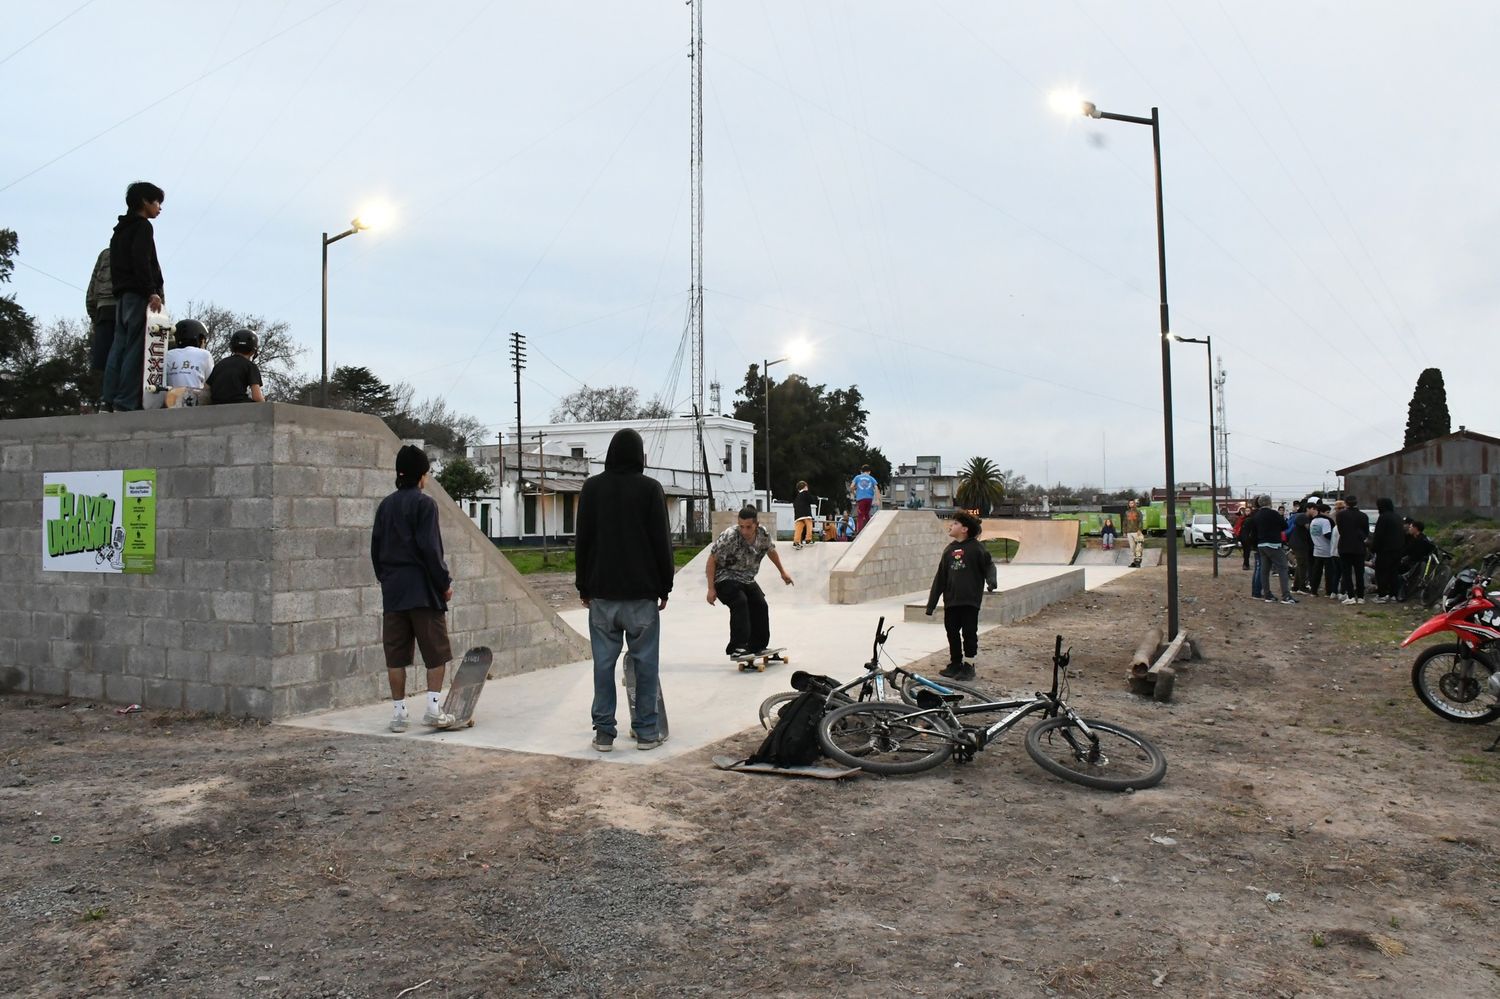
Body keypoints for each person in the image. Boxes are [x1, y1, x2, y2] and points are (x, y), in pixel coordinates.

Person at [575, 428, 674, 752]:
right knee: (645, 665)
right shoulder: (650, 489)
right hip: (641, 595)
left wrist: (583, 585)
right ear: (639, 456)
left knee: (603, 665)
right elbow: (661, 540)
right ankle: (646, 732)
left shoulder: (592, 488)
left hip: (602, 595)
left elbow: (584, 541)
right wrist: (665, 585)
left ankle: (604, 733)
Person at [371, 445, 456, 733]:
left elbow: (375, 550)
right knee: (436, 653)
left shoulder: (385, 505)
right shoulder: (425, 504)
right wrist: (444, 584)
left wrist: (387, 580)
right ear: (422, 475)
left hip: (393, 592)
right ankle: (433, 709)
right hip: (422, 591)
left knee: (396, 656)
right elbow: (431, 550)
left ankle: (399, 714)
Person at [101, 181, 166, 412]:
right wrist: (152, 292)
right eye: (157, 202)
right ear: (144, 202)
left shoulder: (119, 230)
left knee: (117, 348)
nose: (159, 207)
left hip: (120, 296)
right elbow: (141, 261)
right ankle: (126, 401)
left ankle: (107, 400)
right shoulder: (143, 227)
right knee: (136, 349)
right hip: (138, 295)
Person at [706, 506, 793, 658]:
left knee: (760, 604)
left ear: (756, 525)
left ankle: (757, 645)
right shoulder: (730, 536)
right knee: (740, 601)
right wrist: (710, 589)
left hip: (747, 579)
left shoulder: (763, 534)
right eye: (741, 527)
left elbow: (771, 551)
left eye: (748, 527)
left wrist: (782, 572)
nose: (744, 531)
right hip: (724, 578)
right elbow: (711, 560)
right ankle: (737, 647)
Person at [924, 511, 997, 681]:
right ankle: (955, 663)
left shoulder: (977, 548)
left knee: (969, 632)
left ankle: (969, 664)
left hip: (970, 600)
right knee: (952, 631)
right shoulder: (948, 550)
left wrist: (991, 581)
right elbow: (940, 578)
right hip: (951, 600)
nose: (951, 525)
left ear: (965, 529)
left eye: (955, 523)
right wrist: (931, 604)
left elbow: (989, 566)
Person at [84, 248, 115, 410]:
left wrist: (95, 316)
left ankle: (106, 400)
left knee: (106, 358)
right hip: (129, 308)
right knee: (126, 355)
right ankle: (118, 399)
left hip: (103, 309)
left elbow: (91, 290)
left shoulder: (105, 254)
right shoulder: (139, 244)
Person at [1252, 494, 1296, 603]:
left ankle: (1267, 595)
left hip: (1261, 545)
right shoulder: (1274, 514)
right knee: (1283, 568)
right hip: (1273, 544)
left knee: (1264, 570)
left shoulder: (1256, 515)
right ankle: (1286, 595)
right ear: (1269, 503)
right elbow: (1284, 526)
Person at [205, 328, 264, 404]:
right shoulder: (250, 366)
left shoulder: (221, 364)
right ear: (253, 351)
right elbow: (257, 397)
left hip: (216, 406)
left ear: (232, 348)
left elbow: (206, 388)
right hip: (239, 407)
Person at [1335, 494, 1370, 604]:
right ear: (1356, 503)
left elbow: (1341, 530)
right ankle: (1361, 597)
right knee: (1360, 572)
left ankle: (1350, 596)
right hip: (1359, 547)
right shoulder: (1363, 516)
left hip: (1345, 546)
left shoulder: (1341, 515)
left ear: (1346, 503)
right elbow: (1366, 532)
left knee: (1347, 573)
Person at [1369, 497, 1404, 603]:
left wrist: (1373, 548)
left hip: (1385, 551)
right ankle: (1393, 595)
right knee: (1393, 573)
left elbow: (1379, 535)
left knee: (1381, 573)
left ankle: (1382, 595)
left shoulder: (1383, 517)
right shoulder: (1397, 517)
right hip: (1397, 550)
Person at [164, 319, 213, 393]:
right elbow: (210, 382)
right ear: (199, 339)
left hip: (170, 401)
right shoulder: (205, 354)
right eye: (204, 340)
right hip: (195, 401)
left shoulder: (168, 355)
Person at [1307, 502, 1337, 597]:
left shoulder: (1313, 521)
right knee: (1329, 573)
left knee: (1316, 572)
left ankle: (1314, 591)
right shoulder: (1325, 521)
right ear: (1323, 512)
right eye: (1328, 512)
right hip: (1327, 550)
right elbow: (1327, 534)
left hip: (1317, 549)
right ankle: (1328, 591)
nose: (1329, 514)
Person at [1287, 501, 1314, 593]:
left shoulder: (1305, 517)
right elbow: (1310, 529)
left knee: (1300, 565)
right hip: (1299, 544)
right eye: (1313, 509)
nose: (1314, 511)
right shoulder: (1303, 517)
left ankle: (1296, 586)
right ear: (1308, 509)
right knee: (1302, 565)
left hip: (1300, 543)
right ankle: (1302, 587)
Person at [850, 465, 878, 534]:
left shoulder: (857, 477)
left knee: (860, 515)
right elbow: (876, 488)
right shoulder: (871, 478)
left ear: (861, 471)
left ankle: (859, 532)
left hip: (861, 498)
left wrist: (854, 493)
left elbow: (851, 487)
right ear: (869, 472)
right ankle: (870, 529)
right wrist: (876, 499)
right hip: (869, 499)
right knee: (866, 514)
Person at [791, 480, 815, 549]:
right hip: (806, 514)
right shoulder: (806, 493)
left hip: (798, 516)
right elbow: (811, 500)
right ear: (805, 487)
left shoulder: (797, 496)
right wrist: (815, 498)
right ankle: (808, 539)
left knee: (798, 529)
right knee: (809, 525)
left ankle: (796, 542)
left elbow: (794, 505)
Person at [1122, 498, 1145, 568]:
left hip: (1136, 531)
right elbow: (1125, 522)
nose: (1131, 504)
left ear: (1134, 504)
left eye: (1132, 503)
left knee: (1139, 547)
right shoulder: (1126, 512)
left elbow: (1141, 521)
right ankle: (1135, 561)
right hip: (1129, 532)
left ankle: (1138, 561)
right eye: (1130, 503)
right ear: (1128, 504)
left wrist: (1139, 529)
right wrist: (1124, 531)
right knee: (1132, 548)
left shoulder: (1138, 512)